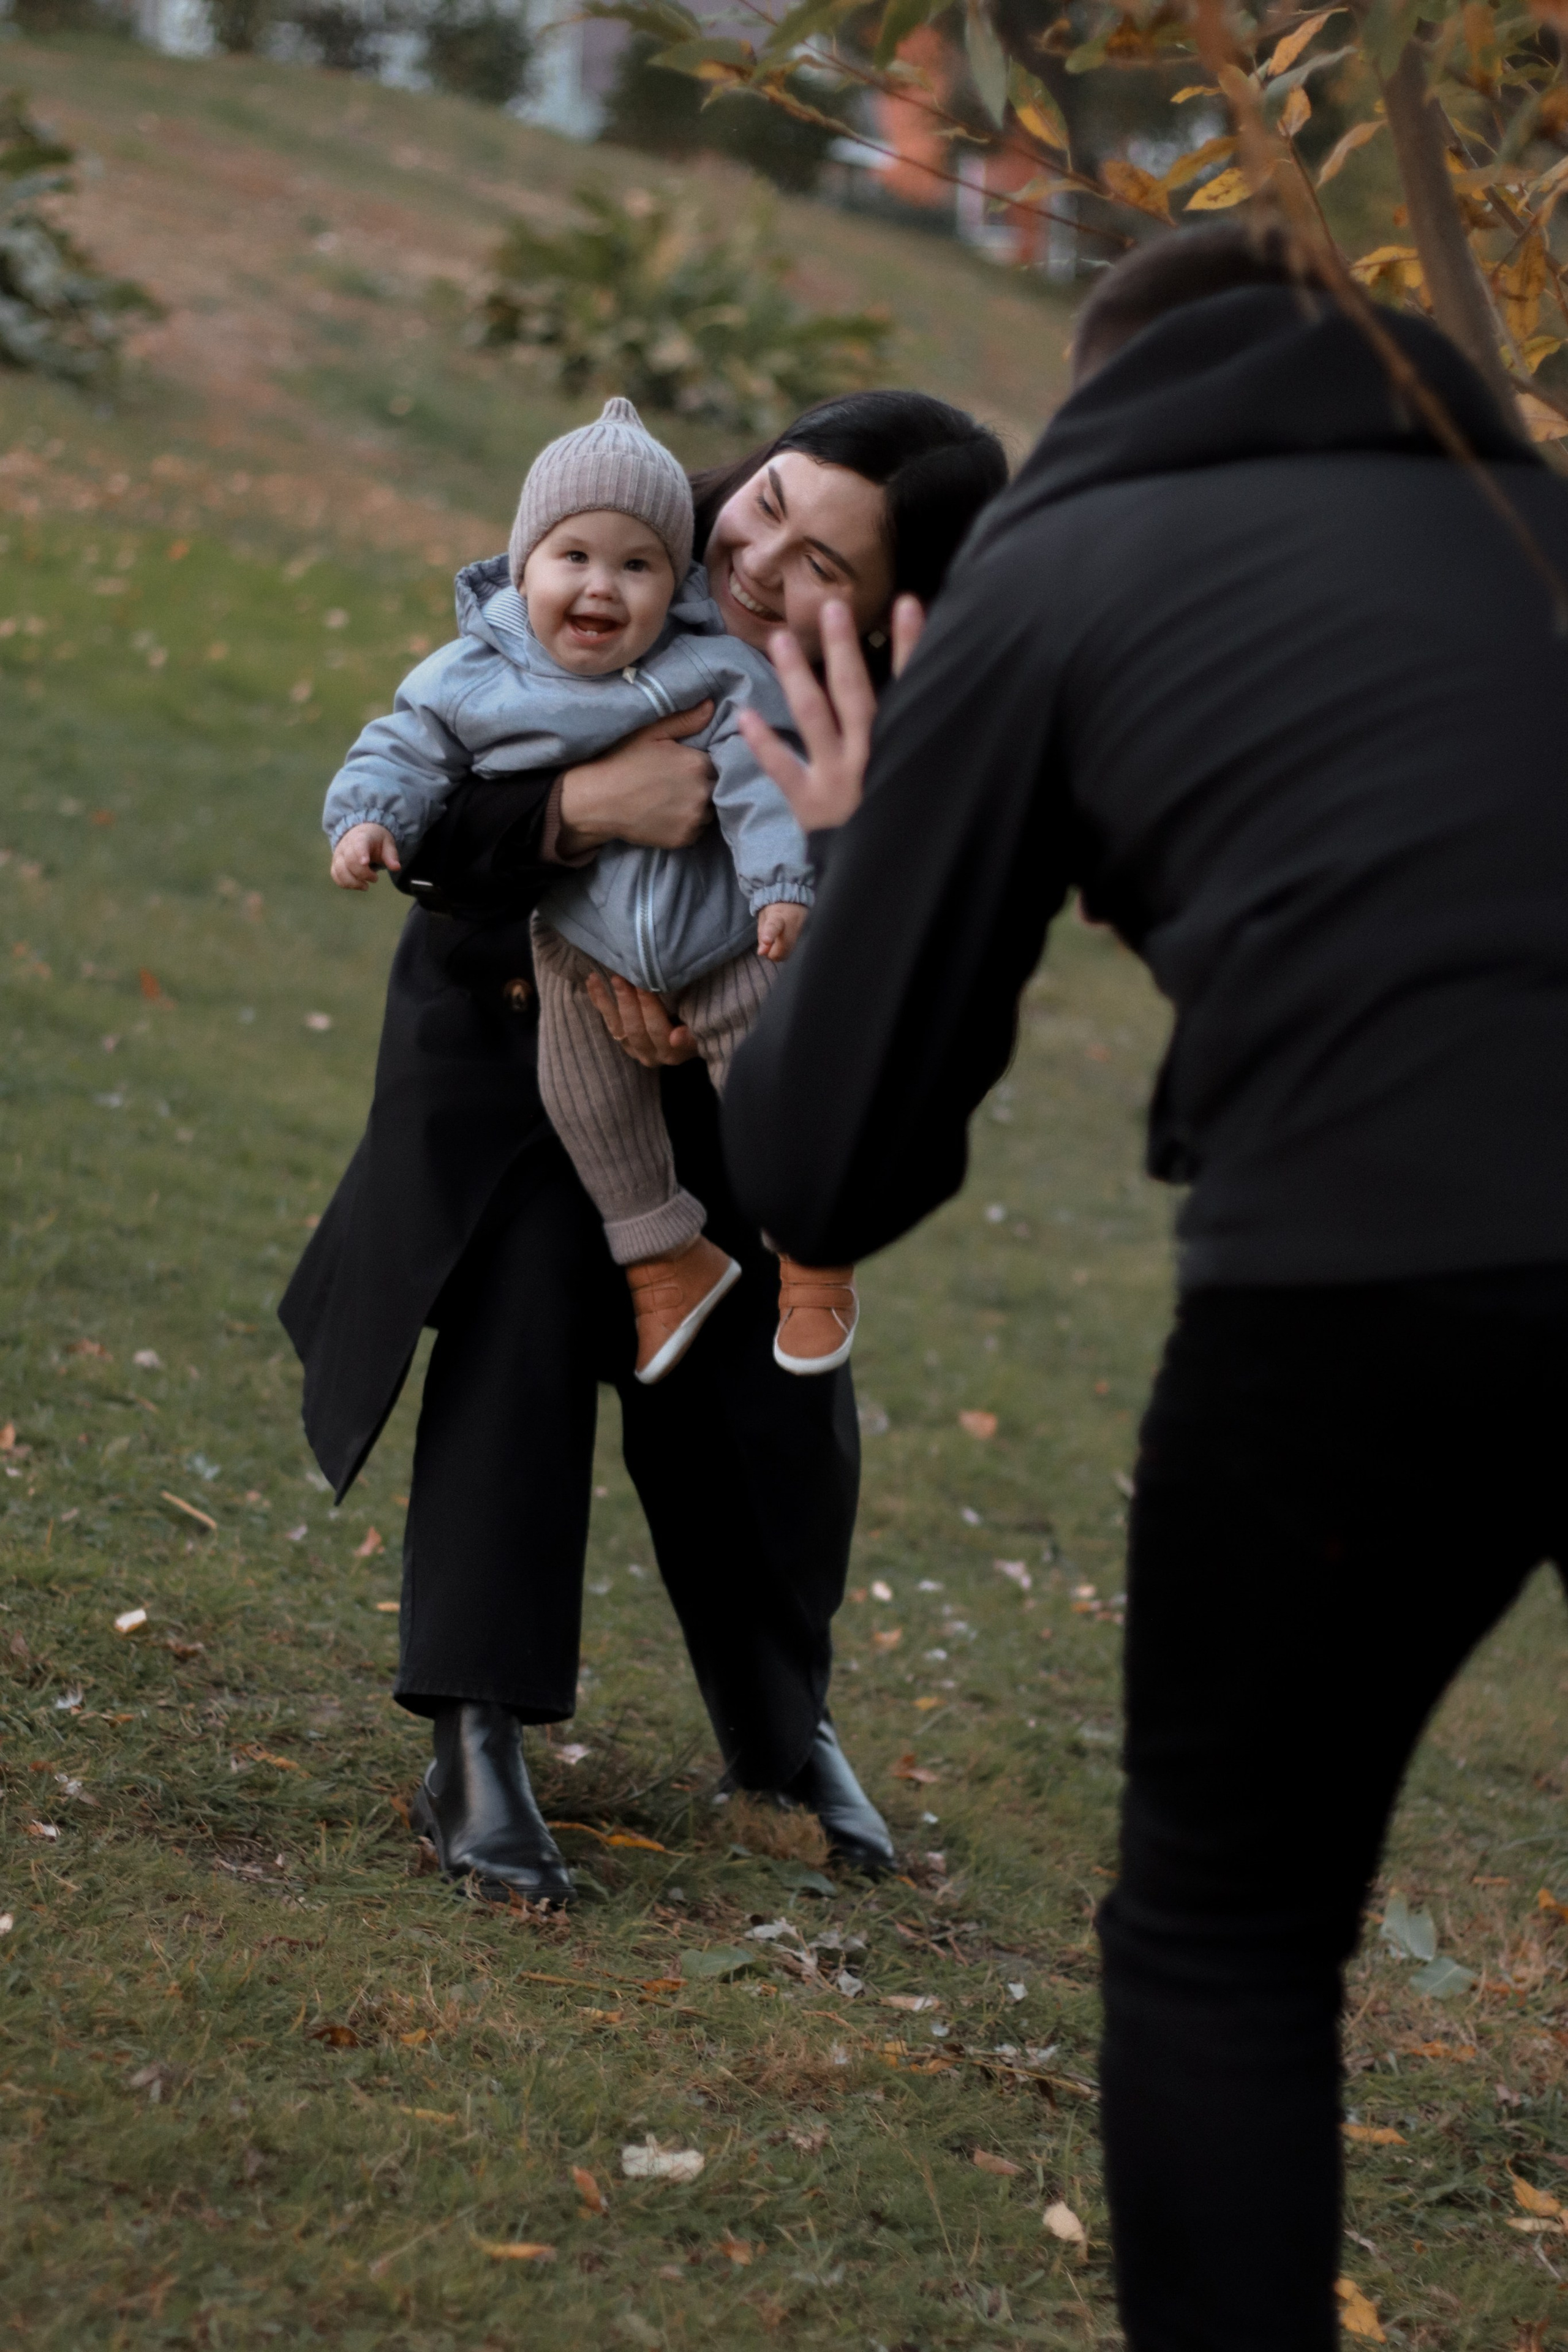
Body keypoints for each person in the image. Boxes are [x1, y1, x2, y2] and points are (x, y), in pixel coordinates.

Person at [722, 227, 1568, 2350]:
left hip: (1371, 1268)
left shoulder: (1058, 567)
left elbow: (827, 1164)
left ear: (1100, 389)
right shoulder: (1528, 523)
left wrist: (865, 824)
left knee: (1230, 1930)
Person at [279, 390, 1008, 1909]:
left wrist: (809, 918)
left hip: (732, 1077)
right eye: (772, 503)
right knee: (526, 1291)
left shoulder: (889, 702)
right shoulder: (622, 541)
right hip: (512, 1045)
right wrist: (573, 810)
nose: (761, 559)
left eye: (825, 563)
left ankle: (777, 1725)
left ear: (888, 608)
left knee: (769, 1390)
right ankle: (474, 1735)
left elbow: (908, 939)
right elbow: (428, 781)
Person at [322, 394, 851, 1384]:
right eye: (574, 557)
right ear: (522, 567)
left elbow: (762, 776)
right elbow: (405, 749)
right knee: (586, 1098)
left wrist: (784, 888)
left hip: (725, 942)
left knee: (772, 1079)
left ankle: (815, 1258)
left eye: (637, 565)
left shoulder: (716, 669)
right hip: (576, 952)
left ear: (672, 583)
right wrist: (367, 819)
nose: (602, 586)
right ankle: (664, 1261)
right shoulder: (474, 677)